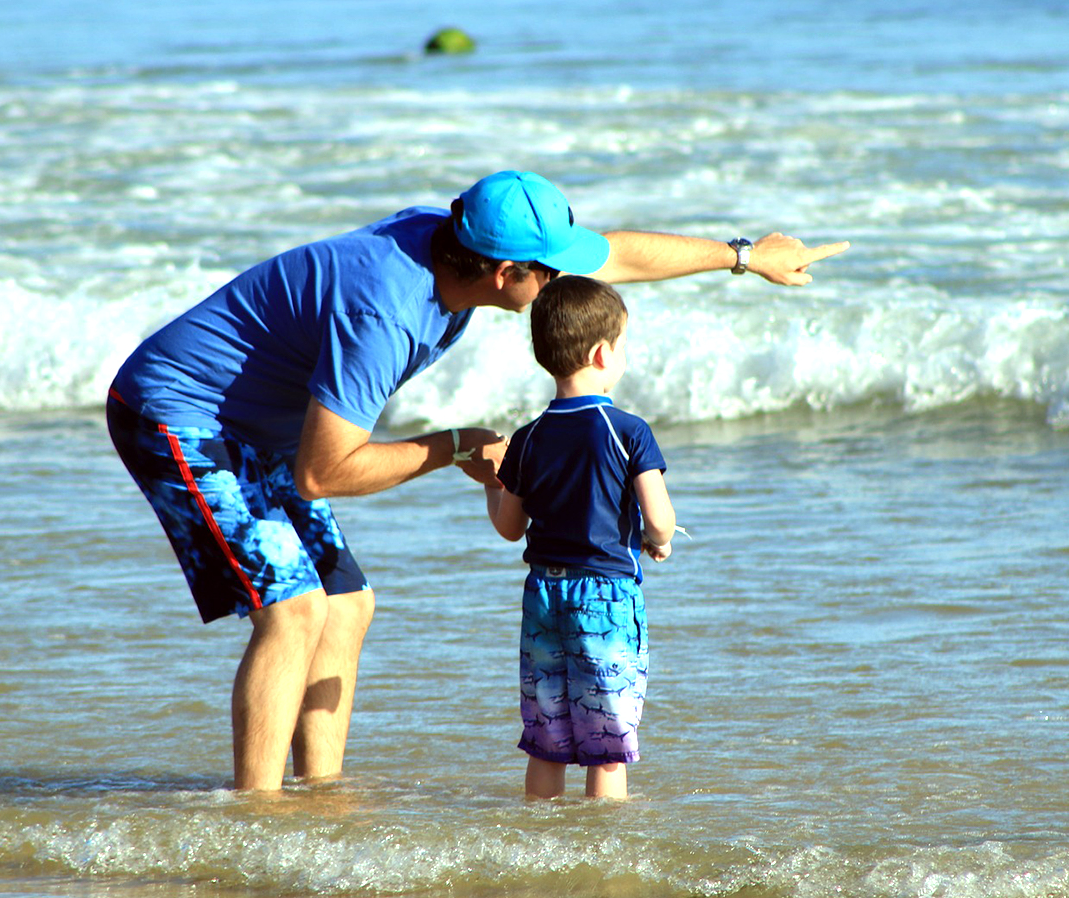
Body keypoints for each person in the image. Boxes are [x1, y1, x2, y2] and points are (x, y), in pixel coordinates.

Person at [106, 169, 849, 792]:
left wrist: (744, 257)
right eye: (549, 271)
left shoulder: (459, 242)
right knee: (294, 610)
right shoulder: (385, 311)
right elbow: (324, 471)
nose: (563, 280)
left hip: (261, 423)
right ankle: (258, 816)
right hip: (175, 413)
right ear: (504, 274)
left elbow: (617, 254)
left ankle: (320, 798)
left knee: (348, 604)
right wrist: (454, 446)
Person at [484, 275, 676, 800]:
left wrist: (489, 482)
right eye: (622, 347)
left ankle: (539, 845)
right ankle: (599, 862)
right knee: (606, 746)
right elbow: (659, 520)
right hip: (605, 598)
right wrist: (656, 540)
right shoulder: (627, 429)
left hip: (544, 594)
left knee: (548, 739)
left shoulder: (528, 437)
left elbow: (508, 527)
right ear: (600, 354)